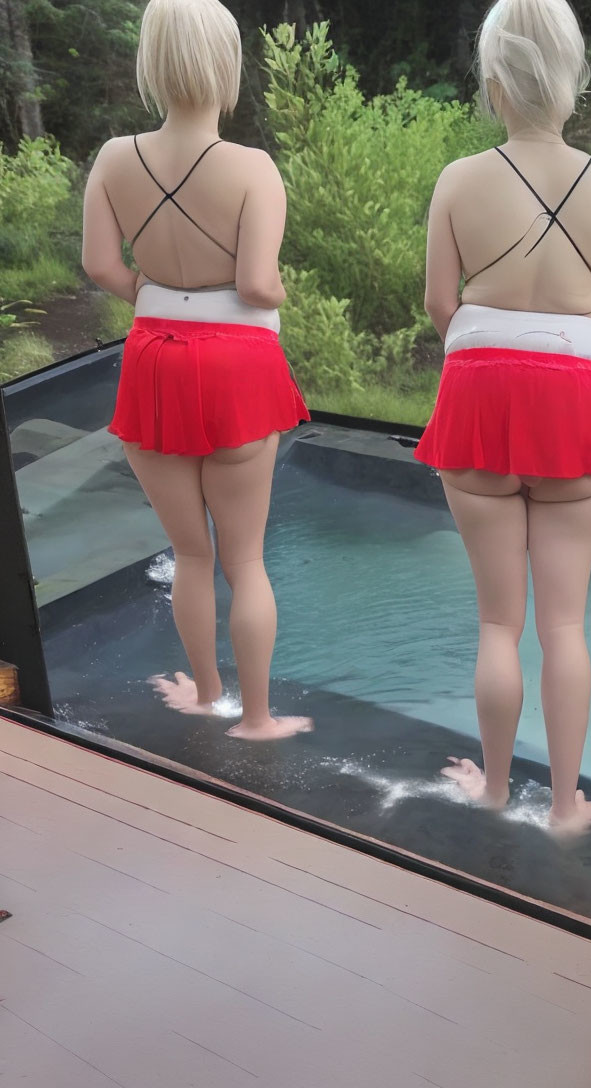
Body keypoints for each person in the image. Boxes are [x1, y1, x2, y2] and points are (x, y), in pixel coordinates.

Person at [415, 0, 591, 834]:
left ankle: (495, 787)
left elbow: (441, 304)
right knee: (566, 622)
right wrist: (568, 351)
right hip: (575, 401)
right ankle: (565, 805)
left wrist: (492, 350)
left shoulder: (458, 181)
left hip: (477, 394)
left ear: (493, 82)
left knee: (498, 623)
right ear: (571, 79)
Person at [81, 0, 312, 741]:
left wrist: (151, 297)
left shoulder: (115, 158)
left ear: (153, 61)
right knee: (246, 561)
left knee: (189, 553)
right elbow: (255, 284)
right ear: (226, 62)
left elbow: (98, 265)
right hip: (238, 366)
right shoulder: (252, 168)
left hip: (154, 361)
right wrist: (281, 293)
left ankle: (206, 695)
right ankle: (257, 718)